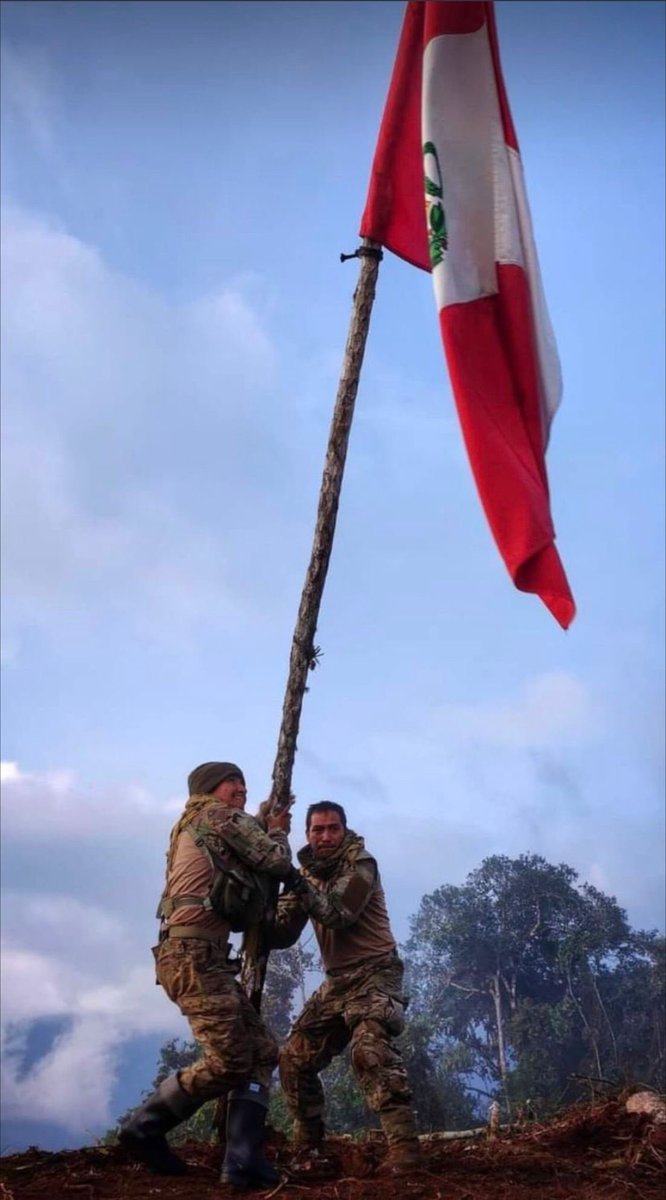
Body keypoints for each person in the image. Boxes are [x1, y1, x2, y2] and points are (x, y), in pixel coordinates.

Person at [119, 761, 293, 1189]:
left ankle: (242, 1160)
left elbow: (240, 842)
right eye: (233, 781)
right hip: (192, 956)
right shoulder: (217, 816)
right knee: (230, 1060)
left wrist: (262, 818)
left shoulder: (203, 821)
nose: (242, 787)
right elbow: (273, 860)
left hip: (201, 956)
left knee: (261, 1051)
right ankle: (144, 1129)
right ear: (210, 787)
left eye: (243, 781)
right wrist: (278, 831)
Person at [270, 801, 422, 1175]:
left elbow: (338, 913)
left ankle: (405, 1153)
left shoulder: (361, 865)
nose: (325, 836)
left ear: (345, 830)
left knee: (369, 1050)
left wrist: (293, 879)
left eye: (333, 828)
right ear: (307, 834)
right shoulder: (307, 874)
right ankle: (309, 1150)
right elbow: (283, 933)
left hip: (376, 973)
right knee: (293, 1059)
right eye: (318, 829)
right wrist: (256, 903)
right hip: (337, 982)